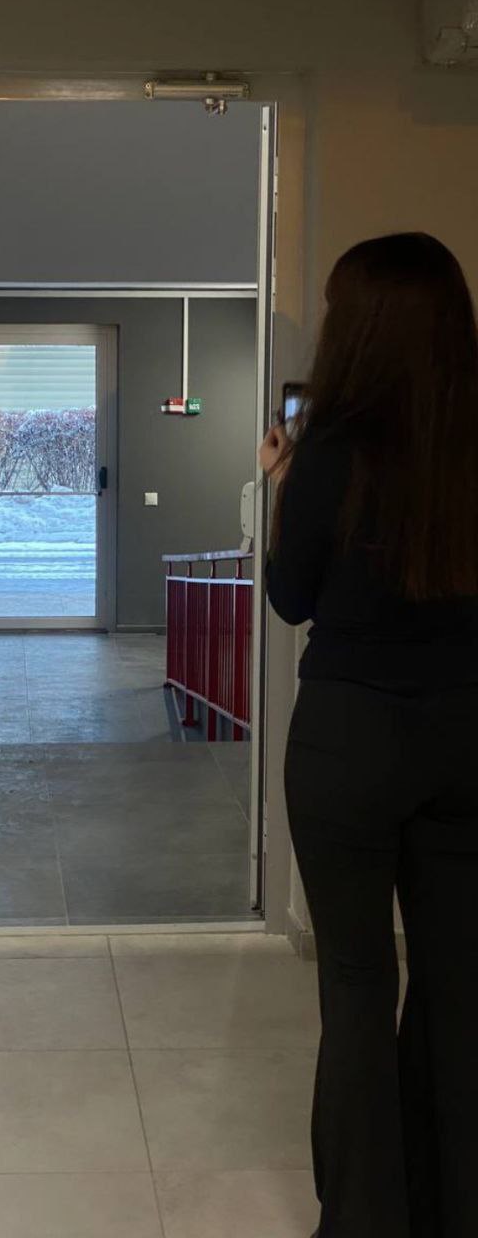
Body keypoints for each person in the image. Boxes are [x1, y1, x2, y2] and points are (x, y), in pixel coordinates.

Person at [260, 233, 478, 1238]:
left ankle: (364, 1218)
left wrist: (282, 485)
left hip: (349, 736)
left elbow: (292, 597)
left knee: (356, 980)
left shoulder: (331, 451)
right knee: (455, 979)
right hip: (467, 731)